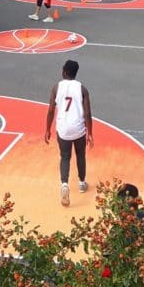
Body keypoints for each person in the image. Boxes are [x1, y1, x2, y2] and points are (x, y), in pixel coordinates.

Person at [44, 59, 93, 207]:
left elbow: (51, 110)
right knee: (80, 155)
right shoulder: (82, 89)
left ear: (64, 72)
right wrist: (90, 133)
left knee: (65, 157)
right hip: (78, 128)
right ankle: (81, 183)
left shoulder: (56, 88)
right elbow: (88, 113)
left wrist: (47, 129)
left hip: (63, 128)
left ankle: (64, 184)